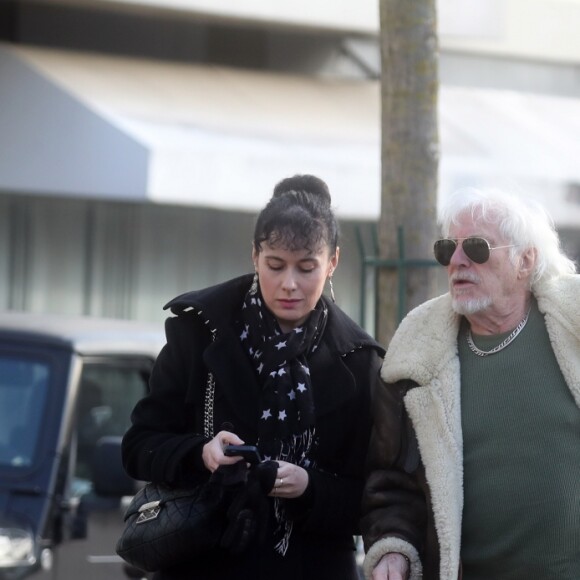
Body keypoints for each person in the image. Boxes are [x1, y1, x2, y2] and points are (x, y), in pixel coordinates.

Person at [122, 174, 386, 580]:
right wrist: (201, 453)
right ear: (254, 255)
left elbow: (372, 495)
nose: (289, 284)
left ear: (333, 262)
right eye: (275, 265)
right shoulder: (198, 330)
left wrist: (310, 487)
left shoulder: (359, 361)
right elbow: (140, 445)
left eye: (307, 268)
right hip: (203, 564)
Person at [361, 187, 580, 580]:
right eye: (448, 249)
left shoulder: (572, 327)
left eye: (477, 248)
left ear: (524, 260)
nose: (457, 261)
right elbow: (391, 481)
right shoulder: (416, 356)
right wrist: (394, 549)